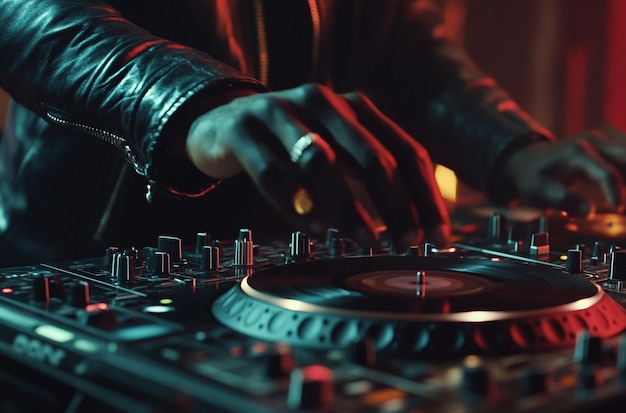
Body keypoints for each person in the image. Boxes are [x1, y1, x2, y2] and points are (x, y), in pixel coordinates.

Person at [0, 0, 624, 267]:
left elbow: (401, 41)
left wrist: (515, 149)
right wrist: (194, 105)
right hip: (85, 256)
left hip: (296, 257)